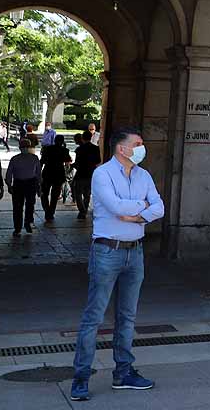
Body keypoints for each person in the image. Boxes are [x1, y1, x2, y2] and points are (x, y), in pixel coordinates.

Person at [70, 128, 163, 401]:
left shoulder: (143, 175)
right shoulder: (103, 174)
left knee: (128, 316)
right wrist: (141, 207)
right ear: (121, 149)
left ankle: (123, 372)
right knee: (94, 317)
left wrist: (135, 216)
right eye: (137, 144)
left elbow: (159, 208)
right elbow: (115, 206)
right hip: (107, 251)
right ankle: (81, 378)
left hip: (135, 253)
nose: (141, 147)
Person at [5, 137, 42, 236]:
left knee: (21, 206)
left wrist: (9, 185)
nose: (25, 148)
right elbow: (38, 174)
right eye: (23, 147)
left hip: (22, 183)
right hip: (27, 183)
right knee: (27, 205)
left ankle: (20, 226)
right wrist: (39, 185)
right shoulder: (33, 158)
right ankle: (25, 224)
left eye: (26, 146)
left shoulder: (16, 159)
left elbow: (9, 174)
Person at [40, 135, 72, 222]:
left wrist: (38, 174)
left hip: (47, 172)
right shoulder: (64, 150)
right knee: (55, 195)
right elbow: (68, 160)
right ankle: (51, 212)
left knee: (44, 193)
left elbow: (41, 161)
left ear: (54, 140)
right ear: (62, 141)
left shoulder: (47, 149)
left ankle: (47, 211)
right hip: (58, 174)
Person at [72, 131, 101, 220]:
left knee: (78, 193)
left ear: (82, 138)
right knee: (87, 194)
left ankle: (82, 210)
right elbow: (98, 160)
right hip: (91, 173)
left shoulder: (79, 149)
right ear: (91, 137)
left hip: (81, 173)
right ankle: (84, 210)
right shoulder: (95, 148)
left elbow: (77, 162)